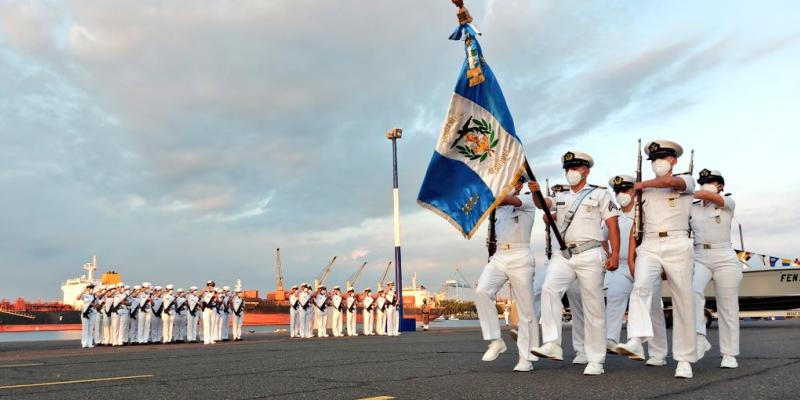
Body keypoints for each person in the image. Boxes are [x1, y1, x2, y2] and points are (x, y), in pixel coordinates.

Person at [530, 151, 621, 376]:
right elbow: (543, 205)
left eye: (576, 168)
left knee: (593, 306)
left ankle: (596, 359)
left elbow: (612, 225)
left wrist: (615, 254)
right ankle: (552, 342)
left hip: (590, 252)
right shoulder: (560, 194)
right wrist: (535, 193)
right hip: (565, 255)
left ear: (586, 171)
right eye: (568, 168)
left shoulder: (600, 194)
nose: (571, 172)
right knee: (549, 289)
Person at [615, 140, 697, 379]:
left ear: (673, 161)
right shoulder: (644, 191)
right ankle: (637, 340)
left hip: (677, 241)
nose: (657, 163)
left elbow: (671, 182)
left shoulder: (686, 180)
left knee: (683, 300)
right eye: (653, 160)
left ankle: (684, 359)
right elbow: (632, 220)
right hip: (649, 244)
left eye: (662, 158)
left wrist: (639, 184)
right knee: (640, 289)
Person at [474, 176, 540, 372]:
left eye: (516, 183)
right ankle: (495, 340)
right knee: (482, 291)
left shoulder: (526, 200)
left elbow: (504, 199)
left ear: (520, 185)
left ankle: (526, 357)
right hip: (500, 255)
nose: (514, 185)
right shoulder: (495, 209)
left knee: (526, 309)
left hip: (521, 255)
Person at [606, 175, 668, 366]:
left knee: (653, 309)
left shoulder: (643, 213)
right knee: (615, 298)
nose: (621, 195)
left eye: (625, 190)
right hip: (622, 266)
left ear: (634, 191)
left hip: (646, 263)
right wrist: (610, 255)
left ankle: (658, 354)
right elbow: (603, 236)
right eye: (617, 191)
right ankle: (610, 339)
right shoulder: (612, 214)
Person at [691, 169, 741, 369]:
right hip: (699, 256)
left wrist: (685, 192)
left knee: (727, 307)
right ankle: (700, 336)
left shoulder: (727, 203)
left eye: (711, 182)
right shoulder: (692, 207)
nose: (706, 185)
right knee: (690, 293)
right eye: (702, 182)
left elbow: (705, 195)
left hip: (724, 257)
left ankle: (729, 354)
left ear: (720, 186)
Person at [78, 284, 97, 348]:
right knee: (85, 328)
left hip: (93, 313)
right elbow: (77, 298)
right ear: (87, 288)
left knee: (91, 328)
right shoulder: (84, 295)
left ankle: (90, 343)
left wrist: (94, 305)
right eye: (90, 288)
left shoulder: (95, 296)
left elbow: (97, 304)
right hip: (85, 313)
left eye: (92, 288)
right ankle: (84, 343)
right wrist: (83, 291)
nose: (91, 289)